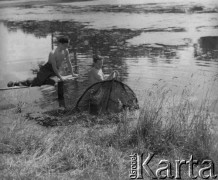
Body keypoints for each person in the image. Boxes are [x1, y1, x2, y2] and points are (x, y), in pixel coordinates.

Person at [7, 36, 78, 87]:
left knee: (53, 82)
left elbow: (69, 63)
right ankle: (15, 83)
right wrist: (60, 76)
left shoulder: (66, 51)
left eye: (67, 45)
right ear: (60, 44)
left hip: (54, 71)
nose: (67, 47)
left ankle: (48, 80)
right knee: (35, 83)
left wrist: (72, 73)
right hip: (46, 70)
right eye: (65, 45)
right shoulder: (52, 53)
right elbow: (54, 67)